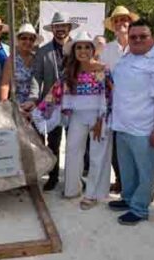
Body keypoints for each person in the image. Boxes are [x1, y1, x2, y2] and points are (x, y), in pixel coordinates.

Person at [107, 19, 154, 225]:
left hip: (145, 130)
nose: (137, 40)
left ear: (153, 37)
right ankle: (128, 198)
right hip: (122, 125)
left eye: (143, 36)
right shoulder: (127, 57)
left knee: (145, 172)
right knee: (127, 169)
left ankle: (139, 208)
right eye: (133, 36)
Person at [34, 30, 113, 208]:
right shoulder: (70, 72)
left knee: (97, 155)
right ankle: (72, 189)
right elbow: (55, 93)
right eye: (79, 47)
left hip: (98, 118)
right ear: (74, 50)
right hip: (77, 116)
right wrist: (38, 111)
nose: (83, 51)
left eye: (87, 47)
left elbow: (107, 96)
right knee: (72, 151)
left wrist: (101, 120)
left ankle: (92, 194)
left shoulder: (101, 69)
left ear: (93, 50)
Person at [33, 12, 79, 191]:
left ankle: (73, 178)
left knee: (75, 143)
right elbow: (36, 78)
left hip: (75, 104)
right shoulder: (43, 51)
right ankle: (52, 177)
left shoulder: (79, 48)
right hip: (51, 104)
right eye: (57, 26)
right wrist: (34, 98)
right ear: (52, 28)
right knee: (53, 143)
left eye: (63, 26)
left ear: (69, 28)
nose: (60, 29)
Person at [100, 5, 137, 194]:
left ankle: (144, 185)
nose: (121, 23)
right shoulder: (107, 50)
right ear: (113, 25)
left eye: (124, 19)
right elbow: (102, 76)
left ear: (130, 23)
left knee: (137, 147)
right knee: (116, 146)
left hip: (138, 106)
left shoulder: (140, 47)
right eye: (117, 20)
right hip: (114, 106)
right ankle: (121, 180)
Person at [0, 23, 40, 117]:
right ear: (18, 40)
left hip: (35, 106)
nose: (28, 41)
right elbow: (5, 85)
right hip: (17, 107)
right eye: (24, 38)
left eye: (31, 39)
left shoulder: (37, 59)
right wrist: (4, 108)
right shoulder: (11, 60)